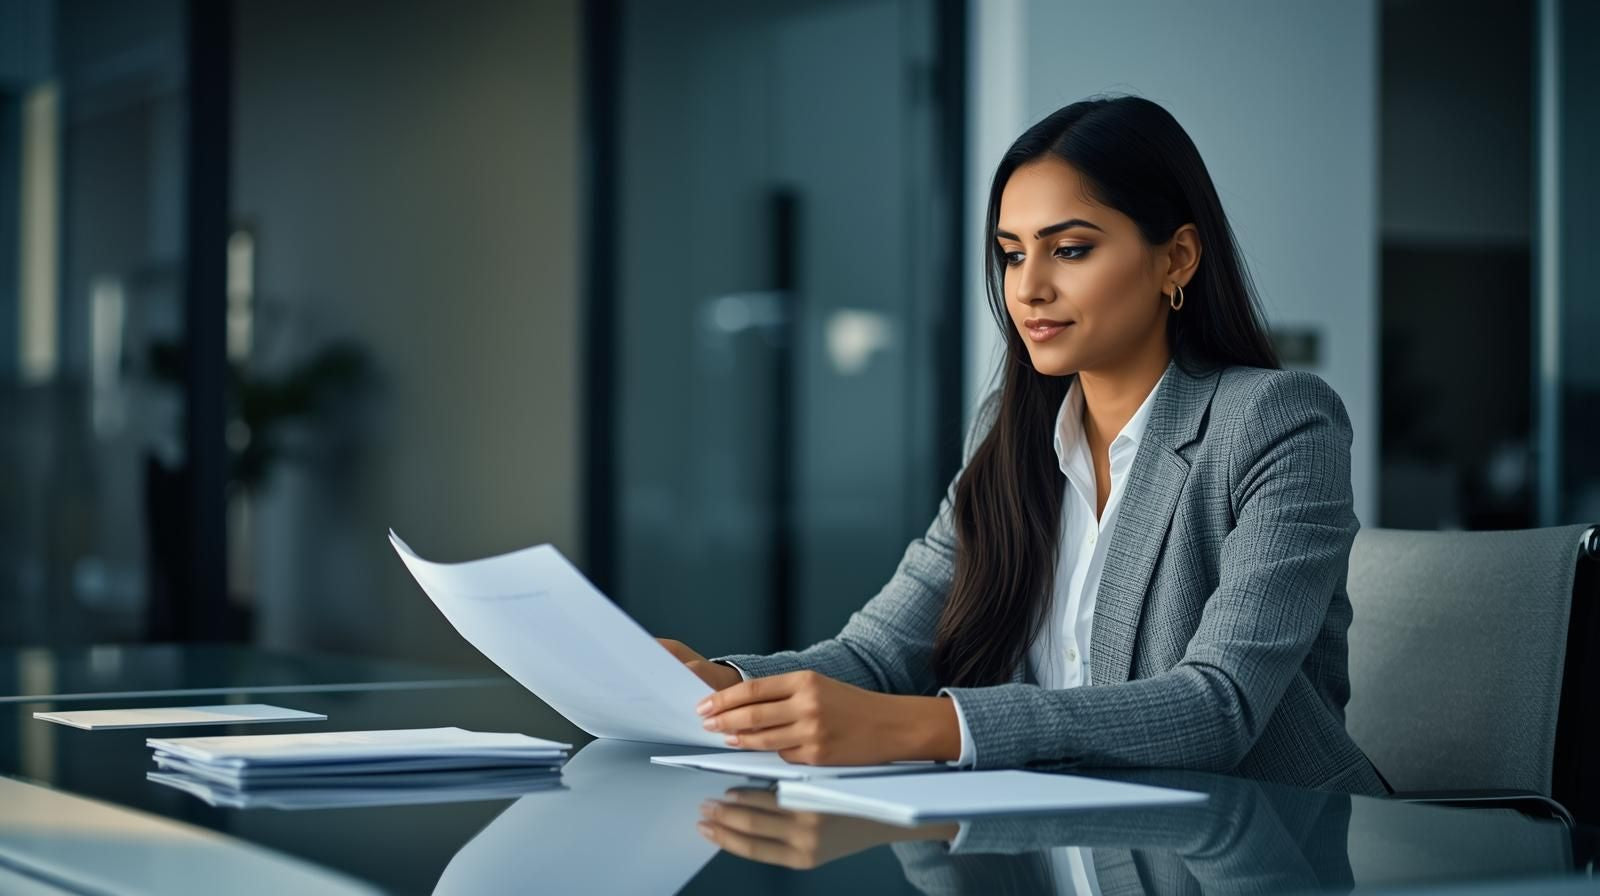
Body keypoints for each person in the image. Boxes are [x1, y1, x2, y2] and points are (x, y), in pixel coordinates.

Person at [657, 95, 1387, 796]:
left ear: (1178, 259)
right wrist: (725, 686)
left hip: (1267, 851)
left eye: (1069, 249)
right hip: (1068, 843)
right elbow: (878, 656)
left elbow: (1217, 708)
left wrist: (934, 726)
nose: (1028, 288)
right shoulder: (1009, 436)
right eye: (1010, 254)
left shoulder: (1278, 423)